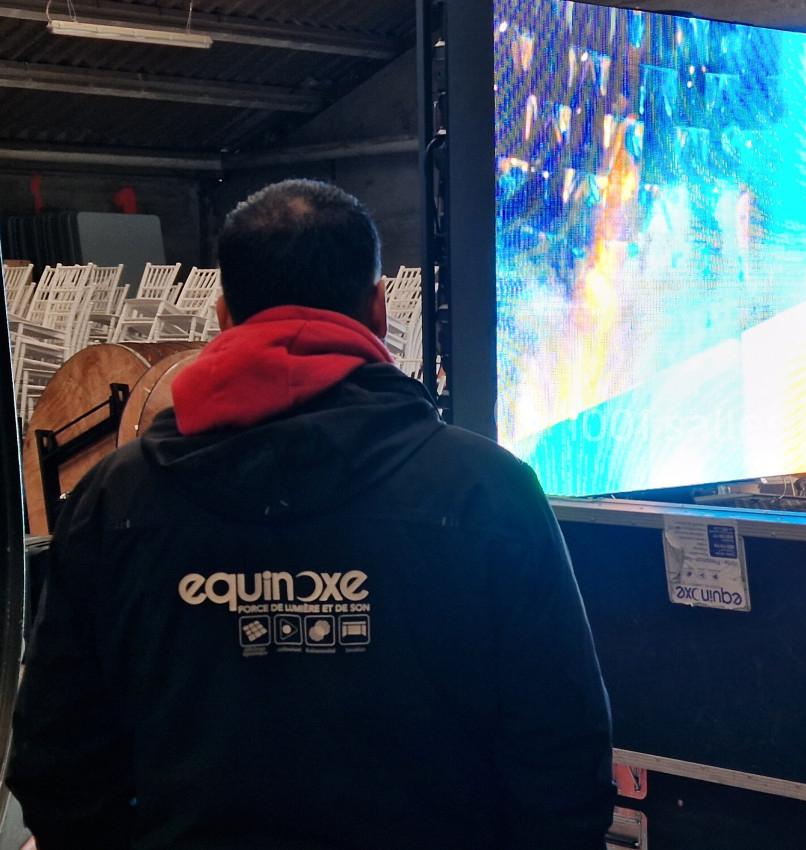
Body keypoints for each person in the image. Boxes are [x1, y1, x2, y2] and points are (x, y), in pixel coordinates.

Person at [6, 180, 615, 849]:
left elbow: (55, 763)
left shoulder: (115, 501)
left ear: (221, 315)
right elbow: (563, 761)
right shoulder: (488, 492)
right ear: (379, 310)